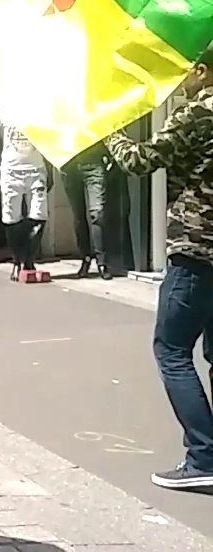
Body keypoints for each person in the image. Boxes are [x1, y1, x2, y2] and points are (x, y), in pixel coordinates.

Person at [104, 45, 213, 491]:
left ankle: (203, 456)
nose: (178, 80)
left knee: (172, 350)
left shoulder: (197, 113)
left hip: (196, 250)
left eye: (183, 71)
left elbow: (140, 161)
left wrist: (110, 132)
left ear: (202, 71)